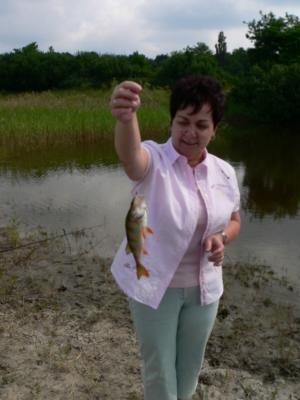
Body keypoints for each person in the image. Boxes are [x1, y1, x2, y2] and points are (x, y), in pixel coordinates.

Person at [110, 75, 241, 400]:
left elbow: (236, 219)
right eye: (183, 121)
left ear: (215, 129)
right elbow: (131, 158)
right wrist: (127, 118)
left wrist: (222, 237)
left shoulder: (225, 172)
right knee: (160, 373)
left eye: (201, 124)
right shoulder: (155, 160)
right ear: (172, 122)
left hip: (205, 292)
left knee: (189, 370)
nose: (190, 132)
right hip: (156, 289)